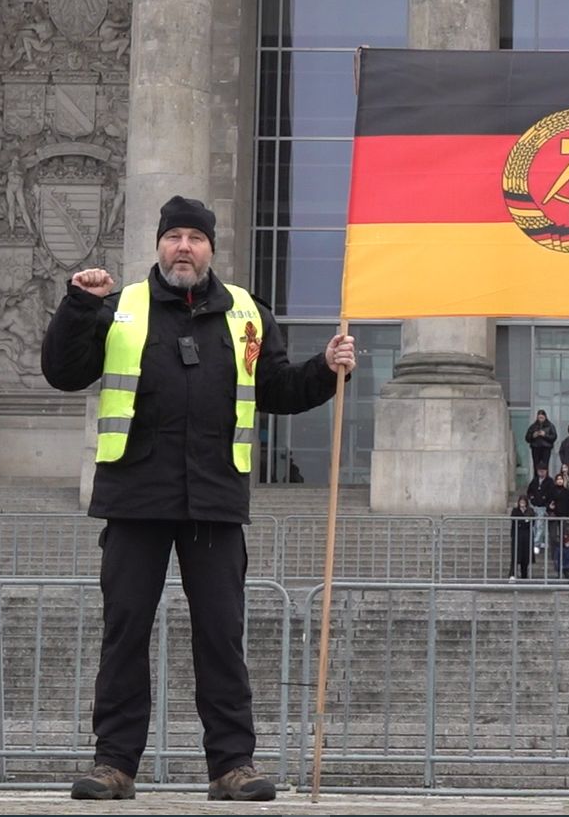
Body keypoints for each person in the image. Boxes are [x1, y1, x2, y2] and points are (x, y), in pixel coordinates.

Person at [41, 195, 355, 802]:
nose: (183, 247)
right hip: (136, 498)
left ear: (212, 248)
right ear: (158, 246)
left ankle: (232, 765)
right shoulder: (119, 306)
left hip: (214, 500)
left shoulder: (245, 314)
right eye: (174, 237)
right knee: (125, 633)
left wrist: (326, 367)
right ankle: (114, 765)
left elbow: (281, 390)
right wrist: (79, 305)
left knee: (220, 636)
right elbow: (64, 371)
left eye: (195, 237)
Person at [525, 464, 557, 555]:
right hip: (535, 506)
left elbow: (551, 494)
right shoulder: (535, 480)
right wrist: (531, 498)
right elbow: (529, 491)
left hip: (544, 507)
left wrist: (547, 502)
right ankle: (540, 542)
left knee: (540, 525)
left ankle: (537, 543)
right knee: (536, 526)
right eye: (539, 470)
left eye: (543, 470)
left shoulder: (550, 481)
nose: (541, 472)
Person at [509, 495, 534, 581]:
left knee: (525, 556)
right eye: (521, 501)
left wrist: (525, 521)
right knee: (515, 555)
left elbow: (532, 521)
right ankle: (512, 574)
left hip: (527, 535)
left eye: (524, 502)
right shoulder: (515, 510)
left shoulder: (530, 510)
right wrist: (524, 520)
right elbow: (514, 520)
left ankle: (524, 575)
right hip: (517, 534)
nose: (522, 503)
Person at [526, 410, 558, 476]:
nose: (540, 419)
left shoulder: (550, 426)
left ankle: (545, 481)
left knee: (545, 465)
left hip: (546, 448)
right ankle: (536, 481)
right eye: (539, 417)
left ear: (545, 417)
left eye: (542, 418)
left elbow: (554, 437)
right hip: (535, 448)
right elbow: (527, 438)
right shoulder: (533, 426)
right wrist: (533, 436)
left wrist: (545, 435)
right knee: (536, 465)